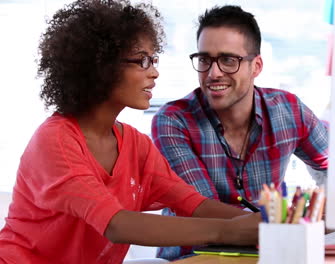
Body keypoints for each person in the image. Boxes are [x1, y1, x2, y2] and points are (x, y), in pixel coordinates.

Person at [0, 1, 260, 263]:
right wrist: (231, 231)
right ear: (101, 66)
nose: (155, 73)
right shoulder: (55, 140)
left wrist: (267, 226)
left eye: (153, 60)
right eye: (143, 61)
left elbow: (193, 204)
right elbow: (117, 224)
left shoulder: (136, 145)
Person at [151, 4, 328, 260]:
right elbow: (201, 209)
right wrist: (281, 226)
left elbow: (334, 168)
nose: (213, 73)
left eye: (228, 60)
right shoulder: (173, 121)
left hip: (267, 253)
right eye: (204, 60)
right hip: (195, 257)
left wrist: (326, 211)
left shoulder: (289, 110)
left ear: (256, 66)